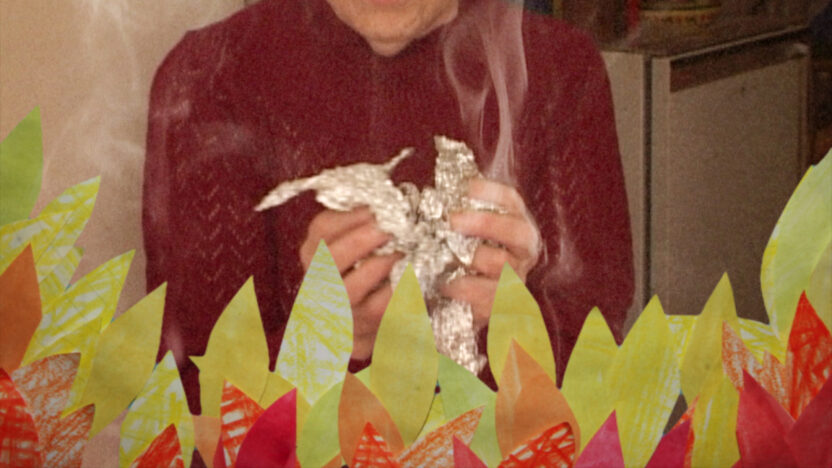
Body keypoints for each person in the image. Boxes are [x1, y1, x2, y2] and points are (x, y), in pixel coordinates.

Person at [143, 0, 634, 414]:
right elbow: (188, 409)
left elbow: (596, 385)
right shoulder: (211, 79)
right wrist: (327, 342)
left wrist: (513, 323)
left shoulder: (559, 70)